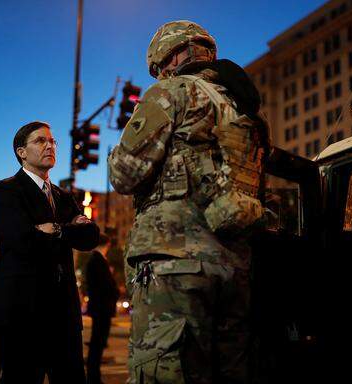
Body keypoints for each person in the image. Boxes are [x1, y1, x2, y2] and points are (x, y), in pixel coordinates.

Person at [108, 20, 268, 383]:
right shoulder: (244, 111)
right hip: (235, 268)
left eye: (160, 65)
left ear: (177, 54)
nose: (160, 74)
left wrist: (115, 154)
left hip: (175, 263)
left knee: (164, 372)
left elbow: (124, 174)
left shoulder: (172, 92)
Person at [0, 121, 100, 383]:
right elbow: (21, 239)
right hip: (24, 311)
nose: (50, 145)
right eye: (40, 141)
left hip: (64, 312)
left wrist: (57, 230)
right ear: (21, 152)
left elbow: (90, 237)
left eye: (52, 141)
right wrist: (67, 230)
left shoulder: (64, 196)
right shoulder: (6, 190)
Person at [85, 232, 119, 384]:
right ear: (106, 245)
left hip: (100, 308)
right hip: (102, 308)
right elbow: (106, 286)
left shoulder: (95, 260)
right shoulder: (98, 260)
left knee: (97, 343)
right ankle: (93, 377)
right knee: (97, 343)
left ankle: (94, 376)